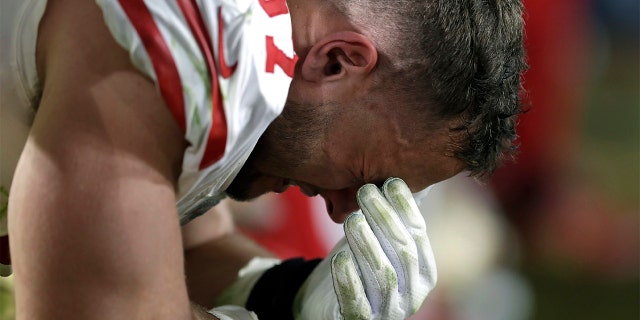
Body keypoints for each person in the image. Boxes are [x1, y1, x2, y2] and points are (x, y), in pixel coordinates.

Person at [1, 0, 526, 319]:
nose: (343, 212)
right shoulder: (198, 38)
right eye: (365, 176)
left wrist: (289, 297)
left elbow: (191, 244)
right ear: (337, 61)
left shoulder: (245, 54)